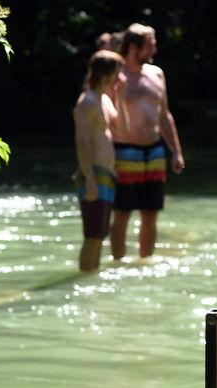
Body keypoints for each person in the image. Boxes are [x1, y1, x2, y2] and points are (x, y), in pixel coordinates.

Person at [110, 23, 184, 260]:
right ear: (133, 46)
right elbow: (101, 115)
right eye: (150, 44)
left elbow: (165, 115)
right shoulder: (116, 76)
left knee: (151, 213)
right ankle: (118, 263)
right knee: (122, 212)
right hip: (123, 150)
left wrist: (176, 151)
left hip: (154, 151)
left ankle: (145, 262)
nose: (154, 48)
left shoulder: (157, 73)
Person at [73, 50, 125, 272]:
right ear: (106, 75)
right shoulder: (88, 102)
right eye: (116, 74)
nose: (119, 79)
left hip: (105, 173)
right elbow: (82, 142)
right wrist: (90, 178)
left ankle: (91, 275)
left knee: (100, 234)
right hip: (93, 174)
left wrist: (118, 95)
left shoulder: (103, 99)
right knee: (93, 235)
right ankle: (85, 277)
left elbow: (121, 127)